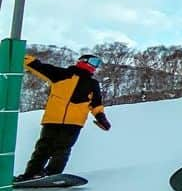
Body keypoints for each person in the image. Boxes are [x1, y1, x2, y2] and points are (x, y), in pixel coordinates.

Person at [14, 53, 111, 182]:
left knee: (62, 149)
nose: (95, 66)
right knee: (43, 148)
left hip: (74, 122)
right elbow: (38, 67)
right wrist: (19, 54)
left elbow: (96, 104)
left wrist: (101, 118)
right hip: (53, 119)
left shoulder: (92, 84)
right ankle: (31, 174)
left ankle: (52, 173)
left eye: (97, 64)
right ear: (82, 61)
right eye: (93, 62)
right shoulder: (61, 74)